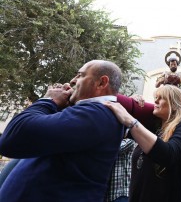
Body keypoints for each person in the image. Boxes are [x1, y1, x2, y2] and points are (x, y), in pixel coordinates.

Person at [0, 60, 125, 202]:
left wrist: (48, 101)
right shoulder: (91, 114)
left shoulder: (96, 114)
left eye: (80, 75)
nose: (72, 81)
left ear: (102, 83)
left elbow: (14, 137)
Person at [105, 85, 181, 202]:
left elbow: (169, 154)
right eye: (156, 97)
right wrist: (132, 101)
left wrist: (130, 121)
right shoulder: (155, 128)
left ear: (174, 104)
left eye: (161, 98)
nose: (155, 101)